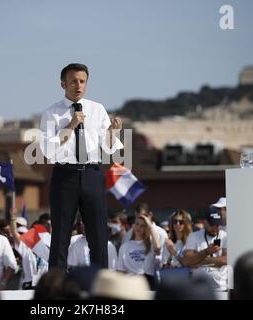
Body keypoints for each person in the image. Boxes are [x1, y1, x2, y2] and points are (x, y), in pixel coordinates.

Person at [39, 63, 123, 270]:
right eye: (74, 81)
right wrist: (70, 125)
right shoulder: (51, 113)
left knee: (97, 233)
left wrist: (113, 131)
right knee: (61, 234)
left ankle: (99, 283)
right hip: (64, 175)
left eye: (82, 81)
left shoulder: (97, 109)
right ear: (63, 84)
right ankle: (57, 285)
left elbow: (109, 149)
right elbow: (47, 151)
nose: (78, 85)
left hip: (92, 174)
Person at [181, 209, 228, 291]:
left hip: (220, 287)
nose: (215, 228)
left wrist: (201, 261)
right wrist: (206, 251)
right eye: (212, 224)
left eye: (218, 225)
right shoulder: (194, 236)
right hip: (198, 286)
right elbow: (187, 261)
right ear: (204, 222)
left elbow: (226, 260)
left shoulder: (225, 236)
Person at [117, 215, 161, 288]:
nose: (139, 227)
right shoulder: (124, 246)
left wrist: (150, 226)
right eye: (137, 224)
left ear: (146, 229)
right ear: (133, 226)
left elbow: (158, 247)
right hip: (130, 282)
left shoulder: (150, 245)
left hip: (147, 282)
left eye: (142, 226)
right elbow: (120, 271)